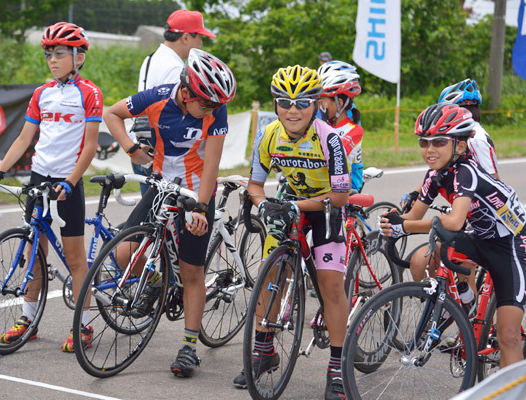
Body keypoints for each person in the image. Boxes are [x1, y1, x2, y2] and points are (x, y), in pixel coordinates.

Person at [103, 48, 236, 378]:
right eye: (206, 103)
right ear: (187, 91)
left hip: (195, 191)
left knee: (192, 272)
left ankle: (189, 347)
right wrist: (132, 149)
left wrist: (202, 208)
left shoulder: (215, 112)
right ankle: (161, 280)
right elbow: (111, 114)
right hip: (160, 186)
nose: (211, 110)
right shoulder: (157, 97)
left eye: (216, 105)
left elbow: (212, 168)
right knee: (123, 253)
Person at [0, 22, 103, 352]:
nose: (52, 60)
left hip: (67, 183)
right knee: (35, 253)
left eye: (60, 53)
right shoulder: (42, 93)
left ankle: (84, 324)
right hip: (39, 178)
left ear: (79, 57)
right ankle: (28, 320)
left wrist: (70, 181)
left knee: (76, 260)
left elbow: (90, 146)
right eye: (49, 54)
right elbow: (24, 138)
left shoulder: (89, 93)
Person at [380, 103, 526, 369]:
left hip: (509, 243)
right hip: (479, 235)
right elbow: (414, 217)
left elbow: (454, 219)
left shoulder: (466, 171)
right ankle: (465, 304)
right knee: (432, 252)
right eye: (424, 143)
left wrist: (406, 227)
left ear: (459, 145)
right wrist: (393, 222)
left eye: (439, 142)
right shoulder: (435, 175)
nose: (429, 150)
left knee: (508, 336)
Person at [232, 65, 351, 400]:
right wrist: (262, 204)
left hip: (325, 210)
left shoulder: (330, 138)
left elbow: (341, 197)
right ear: (275, 103)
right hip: (288, 207)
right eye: (285, 102)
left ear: (316, 104)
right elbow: (255, 185)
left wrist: (297, 206)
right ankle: (264, 351)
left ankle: (337, 367)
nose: (293, 109)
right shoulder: (268, 134)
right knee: (269, 278)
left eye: (302, 102)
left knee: (330, 285)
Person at [131, 9, 216, 196]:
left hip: (142, 142)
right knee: (171, 219)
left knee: (150, 218)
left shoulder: (152, 57)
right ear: (185, 38)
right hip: (163, 153)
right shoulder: (176, 68)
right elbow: (176, 113)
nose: (201, 43)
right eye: (199, 37)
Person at [401, 78, 499, 209]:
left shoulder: (476, 139)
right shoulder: (464, 134)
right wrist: (415, 194)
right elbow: (435, 172)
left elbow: (493, 181)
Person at [317, 60, 364, 191]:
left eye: (322, 101)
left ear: (340, 103)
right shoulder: (322, 124)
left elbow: (333, 155)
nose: (318, 106)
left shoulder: (355, 130)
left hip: (348, 191)